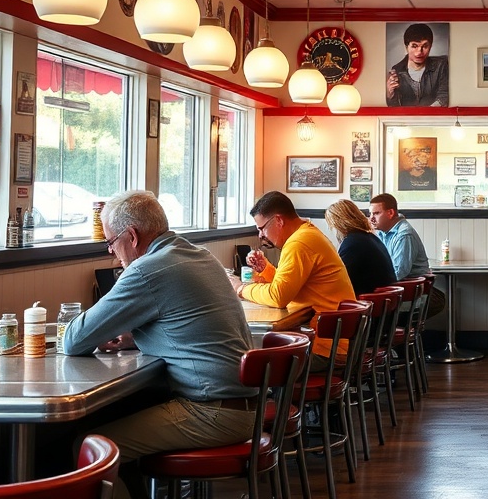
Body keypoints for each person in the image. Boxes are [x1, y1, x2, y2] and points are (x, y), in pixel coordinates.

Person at [62, 191, 255, 499]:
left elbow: (74, 339)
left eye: (111, 243)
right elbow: (186, 325)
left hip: (214, 412)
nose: (113, 255)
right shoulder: (199, 254)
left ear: (132, 236)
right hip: (244, 406)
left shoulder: (146, 269)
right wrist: (134, 337)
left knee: (91, 445)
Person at [235, 191, 355, 370]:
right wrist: (266, 270)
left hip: (325, 350)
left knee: (248, 364)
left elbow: (278, 297)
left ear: (279, 220)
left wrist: (240, 288)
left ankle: (269, 398)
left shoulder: (299, 243)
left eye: (261, 228)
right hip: (333, 341)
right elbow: (290, 287)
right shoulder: (307, 233)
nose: (260, 235)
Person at [369, 192, 445, 319]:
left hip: (418, 294)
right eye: (370, 213)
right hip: (405, 292)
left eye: (376, 213)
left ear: (390, 213)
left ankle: (387, 336)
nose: (371, 218)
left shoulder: (404, 235)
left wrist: (372, 281)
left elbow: (398, 272)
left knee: (373, 312)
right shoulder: (383, 233)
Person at [326, 198, 397, 295]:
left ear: (338, 224)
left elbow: (340, 280)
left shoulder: (352, 244)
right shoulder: (370, 238)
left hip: (369, 303)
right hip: (385, 302)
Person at [386, 23, 449, 107]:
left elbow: (444, 97)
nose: (419, 52)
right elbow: (394, 108)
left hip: (433, 118)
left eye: (425, 46)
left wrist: (424, 116)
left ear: (430, 46)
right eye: (414, 46)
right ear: (406, 47)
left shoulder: (441, 64)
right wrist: (390, 94)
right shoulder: (396, 70)